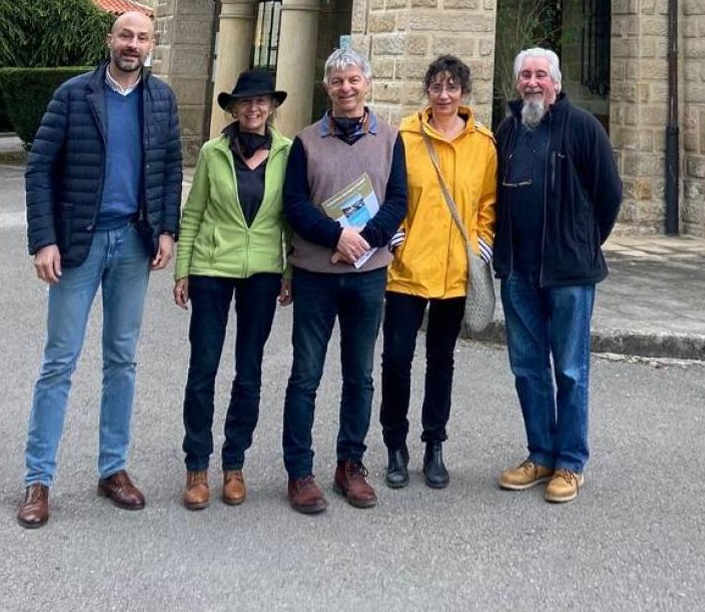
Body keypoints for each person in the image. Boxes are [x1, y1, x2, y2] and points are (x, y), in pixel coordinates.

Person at [17, 11, 182, 528]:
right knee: (59, 362)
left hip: (133, 245)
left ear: (152, 44)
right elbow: (40, 168)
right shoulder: (73, 95)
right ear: (110, 40)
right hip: (78, 246)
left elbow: (171, 169)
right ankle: (38, 478)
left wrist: (166, 229)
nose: (133, 44)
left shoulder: (162, 99)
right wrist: (44, 239)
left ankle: (113, 469)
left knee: (122, 360)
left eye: (142, 37)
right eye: (125, 35)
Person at [493, 47, 622, 504]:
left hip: (568, 273)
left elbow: (609, 195)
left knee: (569, 369)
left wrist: (582, 245)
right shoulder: (507, 130)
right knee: (527, 369)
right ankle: (540, 454)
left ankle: (570, 463)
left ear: (557, 83)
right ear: (517, 83)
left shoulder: (583, 128)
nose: (532, 82)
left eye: (541, 75)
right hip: (519, 272)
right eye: (525, 75)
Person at [281, 48, 407, 514]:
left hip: (368, 276)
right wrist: (336, 236)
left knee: (360, 376)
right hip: (317, 275)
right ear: (327, 88)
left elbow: (398, 200)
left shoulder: (391, 140)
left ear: (367, 84)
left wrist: (363, 242)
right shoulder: (306, 141)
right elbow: (294, 204)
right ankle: (300, 471)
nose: (346, 89)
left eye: (354, 80)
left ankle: (350, 464)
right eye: (337, 82)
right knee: (305, 376)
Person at [174, 69, 294, 510]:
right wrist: (182, 268)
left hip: (262, 270)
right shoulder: (213, 152)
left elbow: (288, 218)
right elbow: (194, 211)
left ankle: (234, 462)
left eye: (261, 101)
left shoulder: (286, 152)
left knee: (250, 369)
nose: (254, 108)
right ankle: (197, 465)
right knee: (203, 365)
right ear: (233, 108)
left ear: (272, 107)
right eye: (245, 102)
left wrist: (289, 272)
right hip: (211, 266)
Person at [379, 55, 497, 490]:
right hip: (407, 269)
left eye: (452, 88)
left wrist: (482, 244)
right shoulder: (404, 137)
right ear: (426, 91)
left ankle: (434, 444)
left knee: (441, 361)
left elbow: (488, 201)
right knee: (395, 359)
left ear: (464, 92)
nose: (444, 96)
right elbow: (390, 193)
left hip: (454, 273)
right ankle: (394, 444)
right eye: (436, 87)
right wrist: (396, 238)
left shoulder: (483, 143)